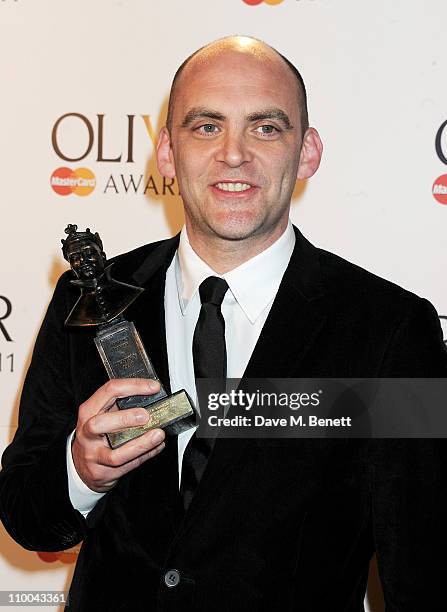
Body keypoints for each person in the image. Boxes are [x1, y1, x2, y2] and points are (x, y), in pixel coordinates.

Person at [1, 35, 446, 612]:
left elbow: (427, 570)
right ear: (166, 152)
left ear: (307, 151)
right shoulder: (88, 300)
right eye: (206, 127)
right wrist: (80, 471)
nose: (234, 154)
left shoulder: (389, 329)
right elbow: (28, 517)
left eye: (266, 127)